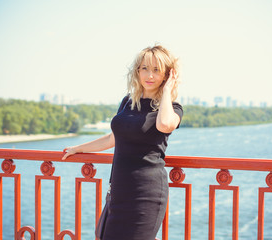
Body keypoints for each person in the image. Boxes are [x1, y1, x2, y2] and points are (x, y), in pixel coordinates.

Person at [62, 45, 183, 240]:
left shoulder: (172, 108)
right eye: (144, 68)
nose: (149, 75)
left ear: (167, 75)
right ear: (137, 71)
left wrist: (167, 90)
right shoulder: (128, 102)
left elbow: (164, 125)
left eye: (156, 70)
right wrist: (78, 148)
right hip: (119, 190)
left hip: (147, 195)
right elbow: (113, 138)